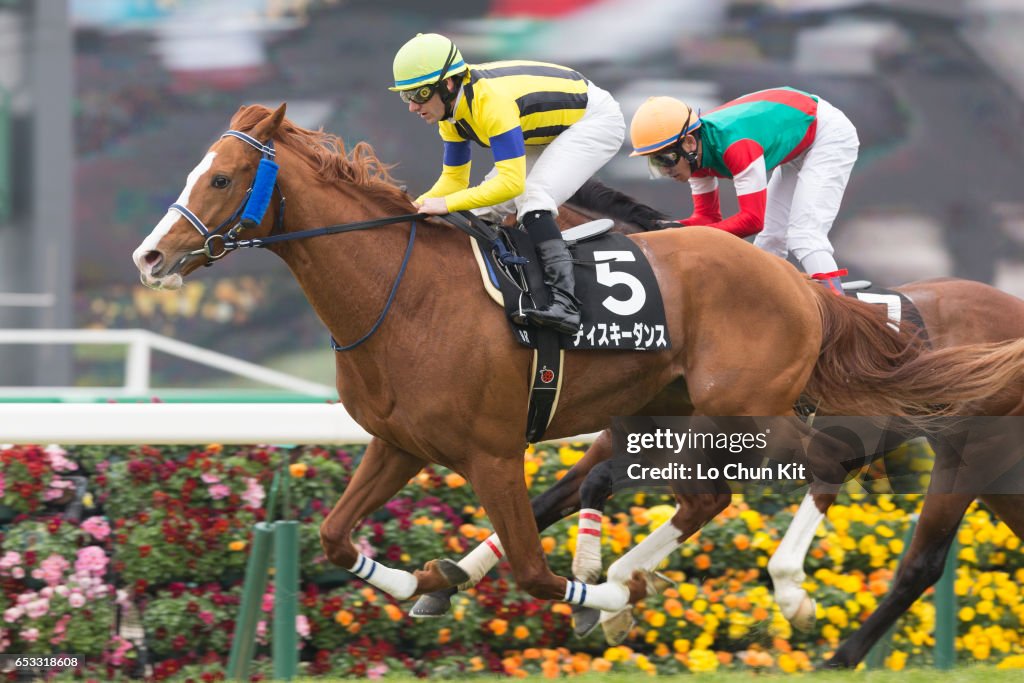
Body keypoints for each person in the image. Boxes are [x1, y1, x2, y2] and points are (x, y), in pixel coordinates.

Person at [390, 33, 625, 333]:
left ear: (447, 85)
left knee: (533, 197)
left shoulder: (491, 103)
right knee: (483, 211)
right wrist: (414, 207)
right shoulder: (449, 115)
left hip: (593, 120)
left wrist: (445, 204)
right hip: (548, 128)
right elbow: (454, 181)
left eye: (418, 94)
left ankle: (566, 304)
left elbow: (511, 185)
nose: (412, 106)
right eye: (405, 96)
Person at [628, 89, 859, 294]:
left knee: (804, 235)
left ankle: (844, 317)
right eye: (655, 162)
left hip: (827, 134)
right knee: (769, 242)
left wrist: (682, 236)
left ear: (689, 143)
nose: (665, 169)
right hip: (799, 136)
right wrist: (668, 229)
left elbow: (752, 220)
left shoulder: (736, 146)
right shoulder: (695, 156)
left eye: (666, 158)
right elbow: (707, 219)